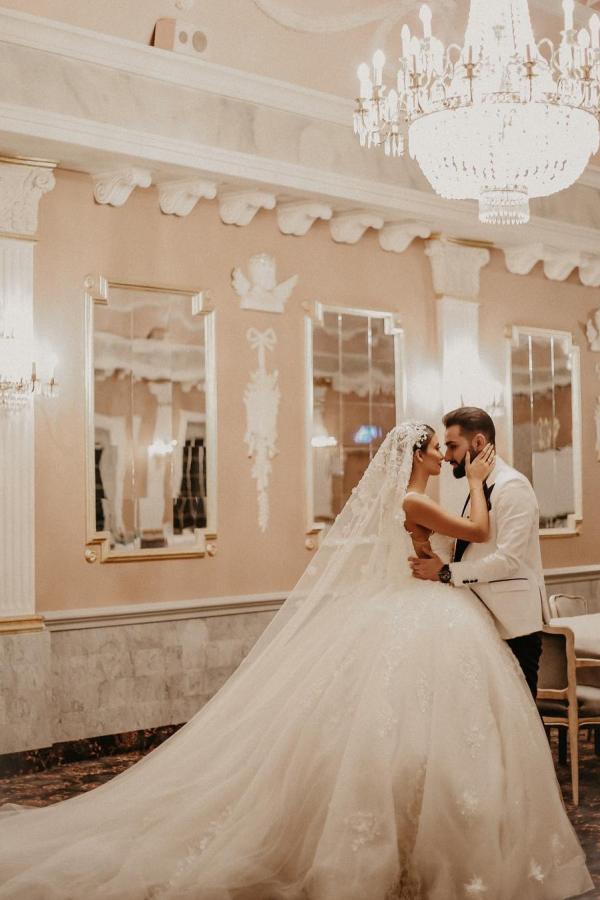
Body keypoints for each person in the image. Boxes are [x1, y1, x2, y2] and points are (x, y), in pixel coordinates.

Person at [0, 422, 592, 899]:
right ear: (418, 454)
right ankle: (418, 842)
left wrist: (458, 539)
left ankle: (415, 839)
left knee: (418, 733)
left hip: (431, 606)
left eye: (450, 447)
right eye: (439, 448)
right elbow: (480, 531)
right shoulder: (420, 497)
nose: (445, 455)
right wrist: (480, 491)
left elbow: (488, 547)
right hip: (430, 608)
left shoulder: (413, 495)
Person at [410, 407, 545, 699]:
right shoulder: (478, 488)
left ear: (479, 443)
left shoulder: (514, 488)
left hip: (513, 622)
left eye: (452, 445)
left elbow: (509, 560)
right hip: (482, 622)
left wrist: (445, 573)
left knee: (522, 717)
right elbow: (468, 548)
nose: (447, 456)